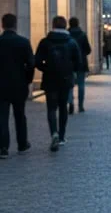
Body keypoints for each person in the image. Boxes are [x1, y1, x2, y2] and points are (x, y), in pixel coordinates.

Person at [35, 16, 81, 152]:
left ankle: (53, 133)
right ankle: (61, 136)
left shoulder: (45, 42)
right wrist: (70, 70)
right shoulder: (71, 42)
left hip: (50, 79)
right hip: (65, 79)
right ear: (65, 26)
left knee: (51, 108)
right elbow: (78, 62)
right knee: (63, 107)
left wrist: (46, 69)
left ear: (53, 25)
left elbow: (37, 61)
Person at [0, 14, 35, 159]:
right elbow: (31, 64)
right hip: (19, 84)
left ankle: (3, 147)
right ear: (15, 25)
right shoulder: (23, 42)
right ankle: (22, 144)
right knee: (20, 115)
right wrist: (27, 80)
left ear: (2, 25)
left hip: (1, 85)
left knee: (2, 116)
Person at [67, 17, 92, 113]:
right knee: (81, 84)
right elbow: (88, 50)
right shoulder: (83, 35)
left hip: (69, 63)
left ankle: (71, 103)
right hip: (81, 63)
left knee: (70, 85)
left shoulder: (67, 35)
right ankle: (81, 105)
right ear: (78, 24)